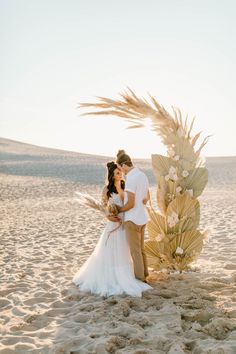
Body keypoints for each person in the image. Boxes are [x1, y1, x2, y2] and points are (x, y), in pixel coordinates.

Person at [73, 161, 152, 297]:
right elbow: (103, 208)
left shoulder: (126, 185)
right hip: (114, 223)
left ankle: (132, 274)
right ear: (111, 175)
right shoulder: (107, 190)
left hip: (126, 222)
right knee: (112, 250)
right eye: (117, 173)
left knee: (127, 249)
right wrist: (108, 216)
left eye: (120, 171)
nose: (120, 174)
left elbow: (135, 199)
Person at [115, 150, 150, 283]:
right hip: (142, 217)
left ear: (124, 165)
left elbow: (130, 203)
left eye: (120, 168)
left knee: (135, 252)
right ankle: (145, 273)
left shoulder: (131, 179)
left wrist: (119, 209)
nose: (121, 171)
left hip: (133, 219)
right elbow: (147, 195)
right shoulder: (142, 175)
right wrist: (144, 200)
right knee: (141, 250)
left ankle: (140, 279)